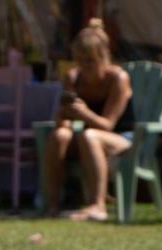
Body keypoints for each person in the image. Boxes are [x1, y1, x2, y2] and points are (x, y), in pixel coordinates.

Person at [40, 19, 133, 221]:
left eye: (90, 61)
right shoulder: (74, 78)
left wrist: (83, 114)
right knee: (60, 136)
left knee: (89, 136)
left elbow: (109, 125)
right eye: (80, 60)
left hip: (124, 138)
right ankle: (53, 204)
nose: (85, 66)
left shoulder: (118, 78)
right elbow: (64, 124)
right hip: (87, 137)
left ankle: (98, 205)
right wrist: (62, 117)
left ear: (104, 57)